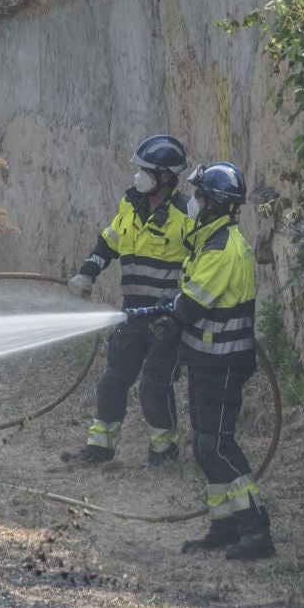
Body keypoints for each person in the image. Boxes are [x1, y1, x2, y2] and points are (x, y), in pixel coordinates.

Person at [63, 134, 193, 465]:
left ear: (165, 177)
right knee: (112, 380)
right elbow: (110, 241)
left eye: (146, 171)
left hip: (167, 321)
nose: (138, 176)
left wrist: (180, 315)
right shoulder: (131, 205)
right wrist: (87, 271)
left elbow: (201, 265)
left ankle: (164, 451)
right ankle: (99, 448)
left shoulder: (187, 214)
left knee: (153, 386)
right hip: (132, 314)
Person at [170, 160, 273, 560]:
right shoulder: (208, 242)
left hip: (223, 362)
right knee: (203, 445)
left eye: (198, 196)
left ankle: (257, 530)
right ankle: (224, 525)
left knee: (216, 446)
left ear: (213, 203)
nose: (193, 202)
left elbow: (191, 306)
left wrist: (167, 315)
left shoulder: (221, 249)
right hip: (205, 358)